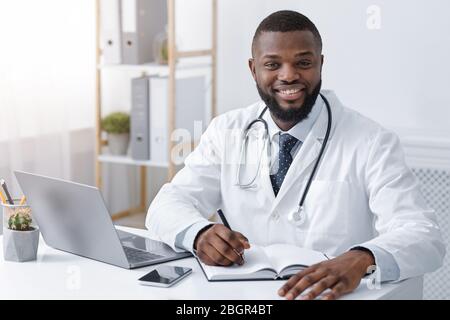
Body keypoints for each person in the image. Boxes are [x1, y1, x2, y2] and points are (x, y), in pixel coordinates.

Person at [146, 10, 445, 300]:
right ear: (253, 69)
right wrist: (198, 233)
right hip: (241, 298)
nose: (288, 76)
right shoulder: (227, 130)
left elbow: (423, 235)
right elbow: (167, 204)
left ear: (320, 64)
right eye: (272, 64)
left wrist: (362, 258)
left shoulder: (373, 142)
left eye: (303, 62)